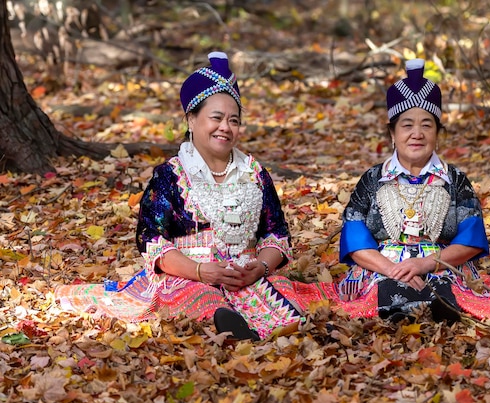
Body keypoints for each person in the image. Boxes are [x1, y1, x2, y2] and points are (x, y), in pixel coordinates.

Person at [55, 52, 304, 341]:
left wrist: (259, 267)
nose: (226, 127)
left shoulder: (254, 173)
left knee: (286, 293)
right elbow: (152, 241)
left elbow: (277, 234)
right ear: (191, 120)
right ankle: (226, 322)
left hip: (246, 276)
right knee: (196, 297)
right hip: (187, 275)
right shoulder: (171, 176)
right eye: (216, 118)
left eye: (233, 120)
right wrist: (201, 271)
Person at [327, 58, 490, 324]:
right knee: (383, 289)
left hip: (441, 264)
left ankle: (431, 308)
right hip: (382, 267)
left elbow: (470, 240)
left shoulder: (455, 180)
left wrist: (424, 264)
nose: (417, 133)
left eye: (426, 125)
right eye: (407, 125)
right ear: (392, 134)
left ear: (438, 133)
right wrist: (394, 269)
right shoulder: (373, 180)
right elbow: (355, 239)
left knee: (445, 288)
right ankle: (400, 308)